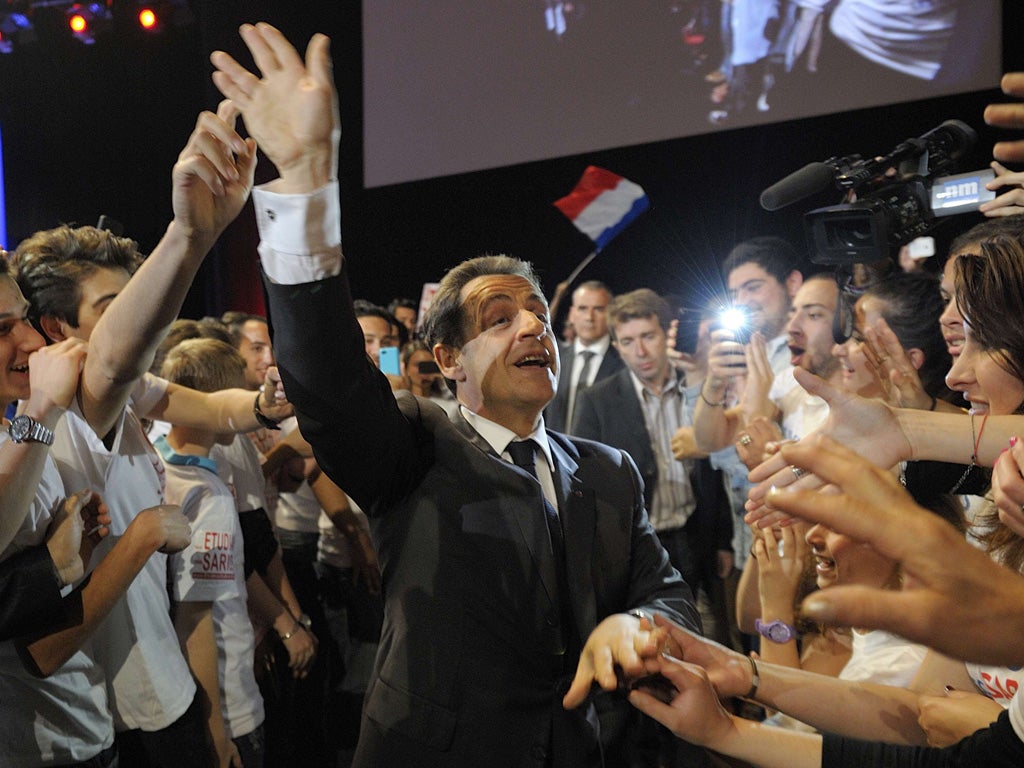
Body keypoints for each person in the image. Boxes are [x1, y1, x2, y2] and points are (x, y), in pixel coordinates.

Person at [211, 22, 700, 767]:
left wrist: (638, 627)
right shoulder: (415, 445)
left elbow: (667, 593)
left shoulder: (609, 471)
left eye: (538, 314)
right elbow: (331, 385)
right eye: (499, 319)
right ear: (447, 360)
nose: (532, 326)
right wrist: (307, 184)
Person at [157, 338, 266, 768]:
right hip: (228, 704)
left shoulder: (159, 465)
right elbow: (195, 617)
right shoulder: (207, 496)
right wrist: (218, 733)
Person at [545, 280, 623, 433]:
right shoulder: (554, 360)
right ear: (572, 314)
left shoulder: (624, 363)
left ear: (611, 314)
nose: (589, 317)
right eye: (582, 308)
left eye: (598, 309)